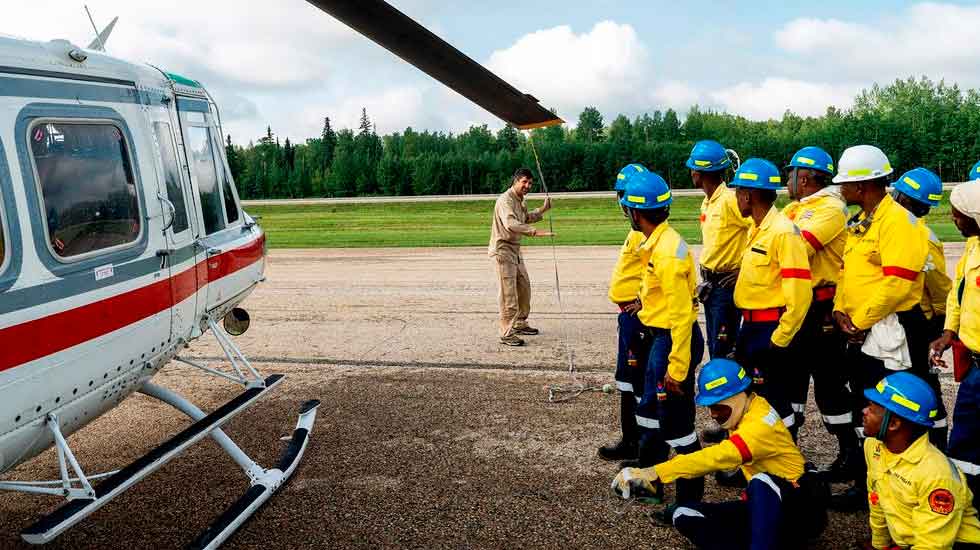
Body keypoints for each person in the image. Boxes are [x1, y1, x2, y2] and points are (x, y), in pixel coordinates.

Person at [830, 144, 946, 510]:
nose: (841, 189)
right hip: (864, 331)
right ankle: (872, 488)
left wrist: (859, 322)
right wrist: (839, 311)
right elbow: (848, 274)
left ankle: (917, 486)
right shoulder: (862, 221)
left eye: (845, 183)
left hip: (893, 328)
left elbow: (897, 284)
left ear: (863, 186)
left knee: (904, 406)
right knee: (870, 406)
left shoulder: (900, 223)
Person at [611, 358, 827, 550]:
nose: (713, 415)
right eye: (710, 408)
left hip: (801, 510)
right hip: (770, 509)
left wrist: (655, 472)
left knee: (762, 482)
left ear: (735, 397)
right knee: (684, 515)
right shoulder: (749, 406)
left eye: (717, 407)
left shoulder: (759, 426)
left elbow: (714, 458)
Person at [617, 169, 705, 504]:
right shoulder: (660, 244)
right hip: (662, 339)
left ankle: (689, 503)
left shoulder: (666, 253)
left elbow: (682, 315)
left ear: (636, 213)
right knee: (651, 415)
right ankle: (651, 485)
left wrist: (677, 368)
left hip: (673, 341)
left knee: (679, 427)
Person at [781, 146, 858, 478]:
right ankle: (786, 457)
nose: (786, 179)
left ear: (806, 177)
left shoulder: (830, 209)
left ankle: (851, 457)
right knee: (789, 384)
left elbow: (795, 248)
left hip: (821, 309)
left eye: (791, 173)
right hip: (797, 305)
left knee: (829, 385)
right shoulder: (795, 208)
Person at [730, 158, 813, 437]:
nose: (735, 198)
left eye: (737, 191)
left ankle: (786, 462)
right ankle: (757, 457)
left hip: (770, 329)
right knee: (752, 397)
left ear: (748, 195)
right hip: (751, 327)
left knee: (775, 399)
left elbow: (800, 297)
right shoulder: (757, 229)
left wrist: (780, 339)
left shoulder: (783, 232)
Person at [859, 372, 980, 550]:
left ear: (893, 424)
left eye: (871, 407)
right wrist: (880, 544)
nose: (864, 411)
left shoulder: (936, 474)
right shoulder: (873, 447)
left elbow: (934, 544)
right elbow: (876, 499)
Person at [931, 178, 980, 507]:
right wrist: (949, 332)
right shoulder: (973, 246)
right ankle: (967, 502)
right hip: (974, 362)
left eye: (959, 214)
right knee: (964, 438)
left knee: (967, 436)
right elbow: (957, 294)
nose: (953, 219)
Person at [598, 164, 651, 462]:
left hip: (638, 319)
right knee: (627, 382)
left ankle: (642, 444)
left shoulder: (645, 234)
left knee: (637, 383)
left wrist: (643, 301)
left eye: (622, 196)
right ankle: (631, 440)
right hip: (628, 316)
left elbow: (657, 272)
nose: (620, 203)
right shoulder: (636, 232)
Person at [688, 140, 752, 359]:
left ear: (700, 172)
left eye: (693, 168)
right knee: (715, 345)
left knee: (723, 349)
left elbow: (761, 229)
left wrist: (744, 269)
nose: (691, 172)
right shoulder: (708, 202)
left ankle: (727, 390)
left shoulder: (729, 200)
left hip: (725, 287)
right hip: (711, 286)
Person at [487, 167, 554, 347]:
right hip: (503, 251)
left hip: (515, 251)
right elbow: (511, 224)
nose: (527, 185)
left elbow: (525, 218)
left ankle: (520, 323)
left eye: (530, 183)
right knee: (509, 295)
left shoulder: (520, 201)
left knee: (524, 288)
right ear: (515, 181)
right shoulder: (505, 200)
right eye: (524, 181)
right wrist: (534, 232)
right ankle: (506, 333)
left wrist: (543, 209)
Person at [892, 167, 952, 339]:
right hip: (911, 315)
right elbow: (939, 285)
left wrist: (942, 317)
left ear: (902, 198)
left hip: (910, 319)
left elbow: (937, 283)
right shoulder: (925, 236)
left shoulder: (922, 238)